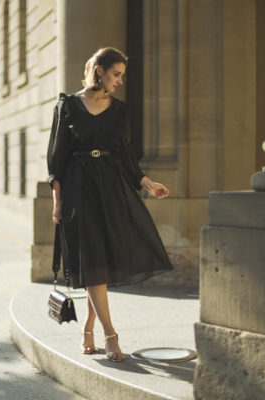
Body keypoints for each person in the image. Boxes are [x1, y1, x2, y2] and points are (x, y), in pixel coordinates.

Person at [47, 47, 173, 362]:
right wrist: (57, 202)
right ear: (99, 70)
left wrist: (147, 183)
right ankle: (110, 334)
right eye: (116, 74)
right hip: (78, 190)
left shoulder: (119, 111)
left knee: (98, 262)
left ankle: (88, 325)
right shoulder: (68, 106)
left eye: (121, 76)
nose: (119, 81)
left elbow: (126, 156)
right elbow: (57, 159)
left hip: (111, 189)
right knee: (91, 260)